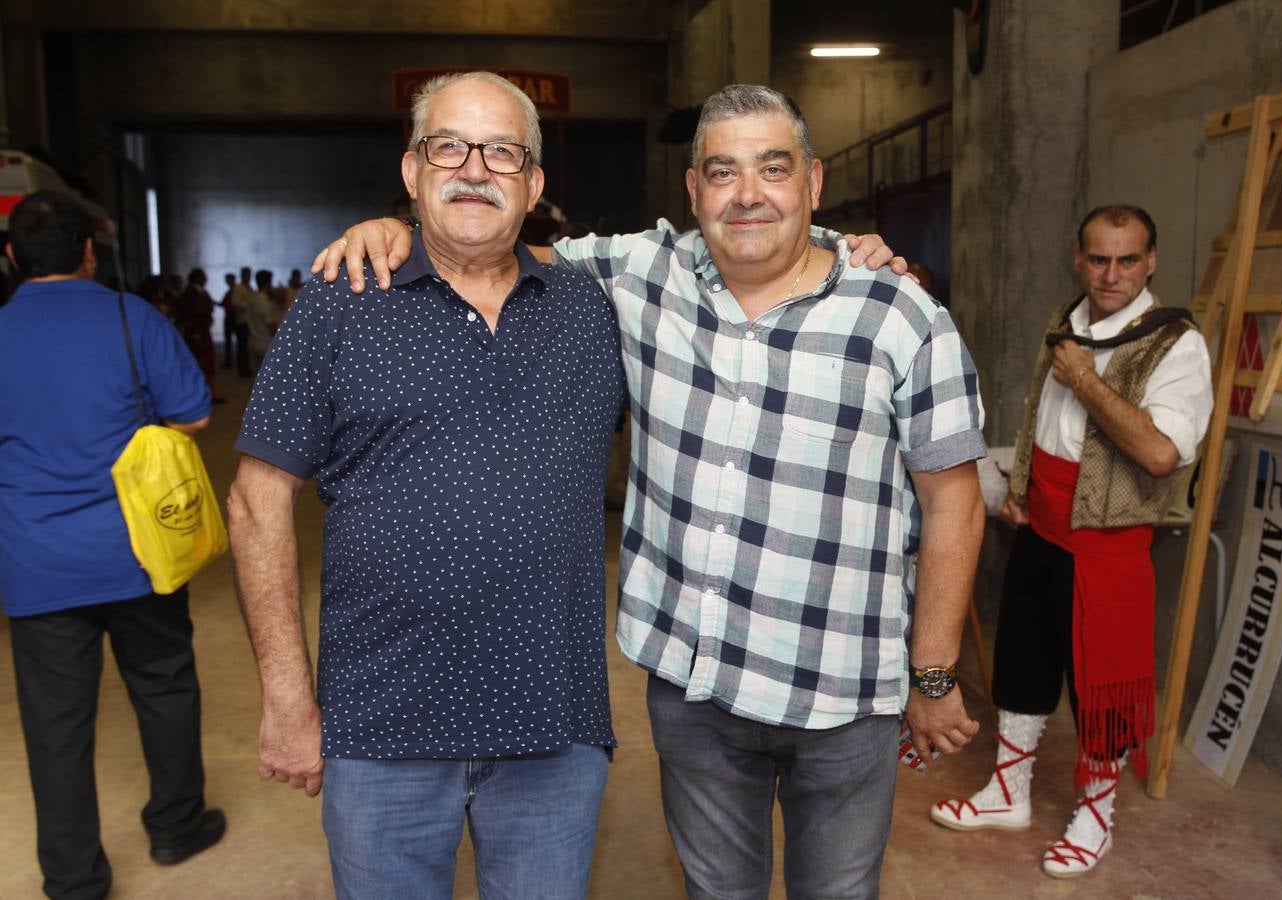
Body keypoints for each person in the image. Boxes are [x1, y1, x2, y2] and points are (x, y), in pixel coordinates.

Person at [319, 83, 987, 900]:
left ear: (813, 184)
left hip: (843, 695)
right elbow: (486, 243)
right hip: (694, 692)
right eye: (722, 171)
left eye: (772, 170)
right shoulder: (639, 273)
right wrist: (397, 230)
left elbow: (955, 503)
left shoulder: (902, 316)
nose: (747, 194)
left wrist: (933, 674)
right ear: (693, 190)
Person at [228, 71, 628, 900]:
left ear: (535, 183)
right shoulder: (341, 303)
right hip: (381, 731)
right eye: (447, 146)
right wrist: (288, 702)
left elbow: (738, 262)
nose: (473, 168)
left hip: (554, 729)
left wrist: (856, 254)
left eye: (502, 152)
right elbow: (255, 503)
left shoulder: (591, 311)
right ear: (411, 172)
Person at [929, 205, 1213, 878]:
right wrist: (1021, 484)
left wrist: (1085, 378)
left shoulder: (1176, 344)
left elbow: (1159, 453)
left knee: (1103, 688)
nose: (1109, 274)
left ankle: (1097, 814)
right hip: (1042, 525)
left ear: (1150, 263)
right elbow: (1041, 416)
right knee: (1022, 662)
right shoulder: (1069, 317)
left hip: (1108, 544)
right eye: (1097, 258)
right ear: (1078, 259)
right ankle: (1009, 792)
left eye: (1125, 260)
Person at [0, 191, 225, 900]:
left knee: (54, 725)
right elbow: (191, 418)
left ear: (10, 258)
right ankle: (177, 826)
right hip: (138, 553)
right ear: (90, 253)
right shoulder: (134, 320)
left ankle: (72, 878)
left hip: (33, 561)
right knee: (163, 687)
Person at [179, 267, 221, 402]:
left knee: (207, 363)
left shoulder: (199, 292)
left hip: (201, 331)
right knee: (202, 362)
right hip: (198, 332)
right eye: (203, 276)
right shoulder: (192, 293)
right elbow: (191, 314)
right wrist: (196, 333)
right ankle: (204, 394)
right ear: (197, 278)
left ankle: (208, 393)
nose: (206, 279)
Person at [226, 266, 254, 377]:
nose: (248, 276)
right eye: (246, 274)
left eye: (249, 274)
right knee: (242, 347)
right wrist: (248, 304)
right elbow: (235, 303)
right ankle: (242, 369)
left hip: (248, 321)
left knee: (246, 347)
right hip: (241, 321)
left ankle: (246, 367)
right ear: (242, 275)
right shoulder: (238, 288)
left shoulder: (249, 288)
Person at [220, 271, 238, 368]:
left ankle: (229, 362)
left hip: (233, 317)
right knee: (229, 341)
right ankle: (229, 362)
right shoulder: (230, 292)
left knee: (230, 341)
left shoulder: (234, 292)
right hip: (231, 317)